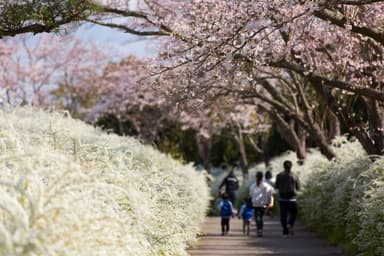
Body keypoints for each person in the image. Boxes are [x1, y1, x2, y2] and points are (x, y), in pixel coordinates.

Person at [274, 160, 300, 238]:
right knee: (294, 213)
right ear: (291, 166)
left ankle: (285, 232)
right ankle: (290, 224)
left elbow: (276, 186)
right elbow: (298, 187)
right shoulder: (294, 175)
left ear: (284, 166)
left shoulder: (279, 175)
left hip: (282, 198)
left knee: (283, 216)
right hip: (292, 198)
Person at [249, 171, 274, 237]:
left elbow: (251, 194)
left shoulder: (253, 185)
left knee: (257, 217)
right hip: (263, 204)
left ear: (256, 177)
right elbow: (271, 192)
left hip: (255, 203)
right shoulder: (266, 185)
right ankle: (260, 229)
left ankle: (259, 229)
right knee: (261, 217)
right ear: (262, 177)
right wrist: (269, 201)